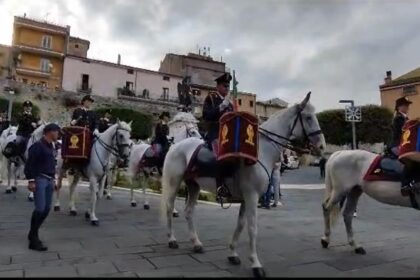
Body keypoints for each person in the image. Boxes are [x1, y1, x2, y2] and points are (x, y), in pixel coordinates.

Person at [24, 123, 60, 251]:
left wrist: (54, 181)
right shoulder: (37, 146)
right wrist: (31, 180)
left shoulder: (52, 146)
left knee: (46, 209)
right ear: (50, 132)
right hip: (40, 179)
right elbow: (30, 164)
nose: (58, 134)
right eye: (57, 132)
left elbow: (52, 164)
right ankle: (33, 238)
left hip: (49, 180)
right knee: (39, 208)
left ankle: (32, 233)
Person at [202, 72, 234, 199]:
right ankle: (220, 187)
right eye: (225, 86)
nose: (227, 88)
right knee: (220, 155)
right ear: (218, 87)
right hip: (215, 133)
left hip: (229, 135)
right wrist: (221, 107)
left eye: (228, 86)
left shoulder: (230, 103)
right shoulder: (211, 98)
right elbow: (206, 115)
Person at [389, 97, 420, 196]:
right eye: (405, 105)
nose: (407, 107)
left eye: (408, 105)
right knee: (410, 158)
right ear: (399, 107)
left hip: (405, 144)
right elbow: (404, 133)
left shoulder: (406, 118)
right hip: (397, 145)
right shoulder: (398, 118)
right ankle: (405, 184)